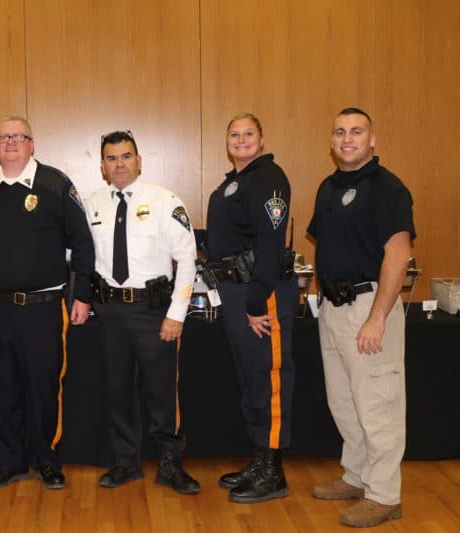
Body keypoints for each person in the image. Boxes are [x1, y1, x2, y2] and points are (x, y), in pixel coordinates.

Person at [0, 115, 94, 490]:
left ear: (31, 144)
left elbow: (83, 243)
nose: (10, 142)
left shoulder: (55, 183)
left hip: (43, 307)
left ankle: (46, 459)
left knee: (43, 387)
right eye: (3, 137)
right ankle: (10, 462)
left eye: (18, 136)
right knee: (0, 387)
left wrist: (83, 294)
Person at [307, 108, 414, 528]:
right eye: (339, 131)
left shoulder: (388, 189)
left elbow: (398, 253)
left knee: (378, 404)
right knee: (345, 401)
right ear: (332, 141)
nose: (347, 138)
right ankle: (358, 475)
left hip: (370, 309)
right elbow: (330, 245)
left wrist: (378, 317)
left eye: (356, 131)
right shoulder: (328, 188)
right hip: (334, 310)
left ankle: (385, 495)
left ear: (373, 139)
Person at [84, 130, 200, 495]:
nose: (119, 164)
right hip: (110, 312)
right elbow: (83, 259)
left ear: (139, 160)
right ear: (102, 165)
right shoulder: (93, 204)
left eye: (126, 156)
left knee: (162, 391)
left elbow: (187, 259)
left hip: (154, 312)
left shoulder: (165, 201)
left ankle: (170, 462)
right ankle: (125, 462)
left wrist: (176, 314)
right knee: (117, 389)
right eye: (112, 158)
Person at [204, 113, 297, 503]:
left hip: (261, 292)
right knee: (251, 379)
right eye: (234, 134)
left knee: (269, 378)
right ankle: (260, 458)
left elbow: (271, 244)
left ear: (262, 139)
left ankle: (273, 472)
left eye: (248, 133)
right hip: (236, 291)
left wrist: (258, 300)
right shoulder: (235, 182)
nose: (241, 139)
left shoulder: (268, 177)